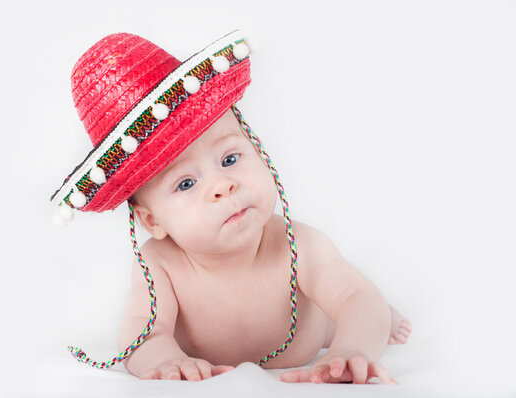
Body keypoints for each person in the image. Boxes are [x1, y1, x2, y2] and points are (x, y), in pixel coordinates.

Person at [50, 29, 411, 385]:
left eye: (230, 158)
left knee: (346, 317)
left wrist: (351, 350)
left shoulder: (299, 244)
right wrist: (164, 360)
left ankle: (366, 325)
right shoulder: (158, 265)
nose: (223, 185)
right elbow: (142, 335)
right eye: (186, 184)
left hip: (308, 338)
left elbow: (355, 297)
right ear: (152, 220)